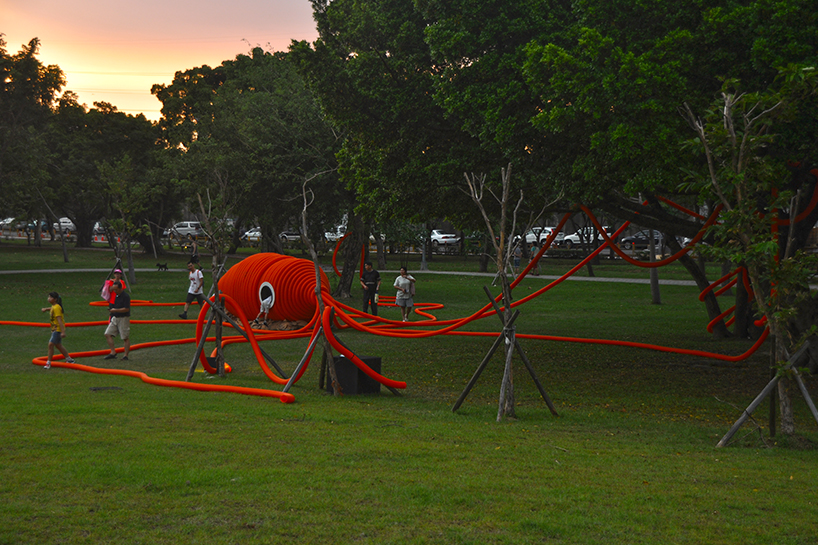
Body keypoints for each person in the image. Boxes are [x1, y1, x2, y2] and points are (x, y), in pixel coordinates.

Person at [40, 292, 76, 369]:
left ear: (55, 299)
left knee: (50, 345)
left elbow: (60, 320)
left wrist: (63, 332)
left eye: (50, 297)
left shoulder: (56, 308)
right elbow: (52, 309)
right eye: (48, 297)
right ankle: (69, 359)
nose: (48, 298)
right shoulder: (54, 306)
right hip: (54, 329)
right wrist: (46, 309)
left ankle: (48, 362)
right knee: (58, 345)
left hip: (57, 329)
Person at [104, 281, 131, 360]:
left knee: (125, 337)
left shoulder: (125, 296)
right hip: (114, 318)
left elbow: (126, 309)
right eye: (113, 289)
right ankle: (113, 352)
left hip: (123, 318)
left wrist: (115, 310)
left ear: (120, 288)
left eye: (116, 289)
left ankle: (125, 355)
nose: (115, 291)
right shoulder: (114, 296)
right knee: (107, 334)